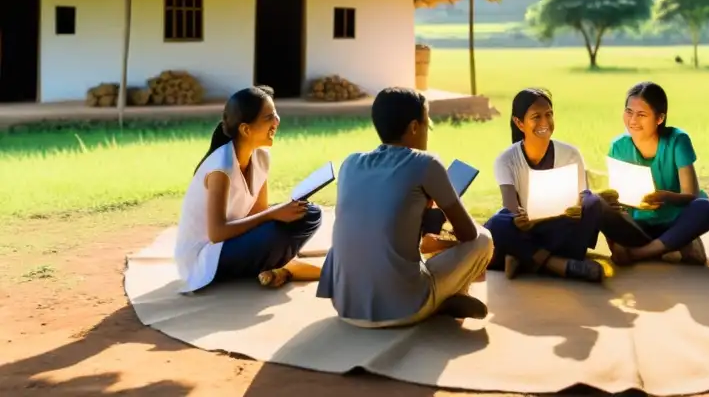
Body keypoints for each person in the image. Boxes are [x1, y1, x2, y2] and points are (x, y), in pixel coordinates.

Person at [317, 87, 493, 327]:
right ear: (413, 127)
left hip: (346, 308)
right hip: (403, 310)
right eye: (426, 124)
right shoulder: (426, 163)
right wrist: (445, 207)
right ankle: (448, 297)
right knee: (484, 239)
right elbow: (468, 234)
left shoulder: (350, 163)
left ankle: (444, 299)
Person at [174, 86, 323, 293]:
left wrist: (282, 212)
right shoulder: (221, 168)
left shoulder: (261, 157)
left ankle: (273, 265)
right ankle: (278, 267)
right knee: (276, 229)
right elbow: (217, 233)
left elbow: (259, 212)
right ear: (246, 129)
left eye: (275, 114)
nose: (277, 121)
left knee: (309, 213)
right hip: (206, 256)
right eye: (269, 117)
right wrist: (275, 213)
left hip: (232, 242)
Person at [485, 88, 606, 283]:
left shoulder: (571, 154)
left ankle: (525, 259)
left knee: (594, 203)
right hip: (527, 231)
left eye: (549, 114)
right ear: (519, 123)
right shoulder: (506, 160)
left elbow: (583, 196)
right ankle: (559, 265)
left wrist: (580, 205)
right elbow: (510, 206)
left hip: (560, 228)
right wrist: (519, 218)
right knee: (500, 223)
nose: (544, 122)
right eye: (536, 117)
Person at [601, 82, 709, 266]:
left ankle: (642, 253)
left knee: (707, 208)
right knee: (598, 206)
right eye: (629, 112)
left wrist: (665, 196)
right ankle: (671, 246)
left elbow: (691, 195)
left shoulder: (677, 141)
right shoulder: (618, 146)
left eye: (641, 115)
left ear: (659, 118)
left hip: (674, 220)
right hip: (639, 223)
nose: (632, 120)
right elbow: (620, 198)